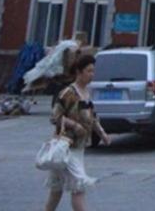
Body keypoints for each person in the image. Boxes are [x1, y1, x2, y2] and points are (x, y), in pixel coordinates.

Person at [45, 54, 110, 211]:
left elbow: (92, 117)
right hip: (66, 147)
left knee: (57, 189)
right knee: (78, 187)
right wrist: (74, 125)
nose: (92, 75)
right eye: (89, 71)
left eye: (93, 71)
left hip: (79, 147)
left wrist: (102, 134)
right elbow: (55, 117)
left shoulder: (86, 93)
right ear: (79, 72)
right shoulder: (68, 93)